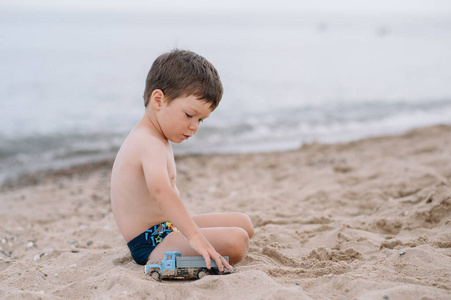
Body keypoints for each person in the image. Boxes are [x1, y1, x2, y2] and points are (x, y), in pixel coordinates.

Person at [110, 49, 254, 272]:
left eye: (201, 120)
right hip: (150, 242)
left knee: (244, 223)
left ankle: (192, 241)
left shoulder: (157, 136)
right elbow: (161, 191)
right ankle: (181, 259)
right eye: (189, 115)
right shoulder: (148, 142)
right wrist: (195, 236)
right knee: (238, 241)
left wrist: (187, 230)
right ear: (159, 100)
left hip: (166, 227)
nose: (194, 126)